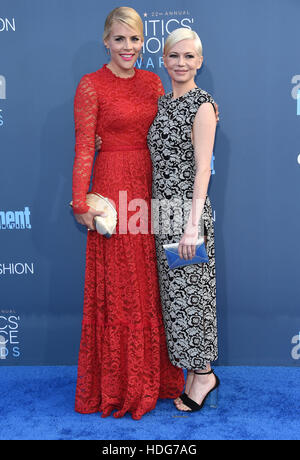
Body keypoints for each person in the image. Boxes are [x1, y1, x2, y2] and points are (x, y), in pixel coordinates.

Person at [72, 7, 185, 420]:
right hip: (112, 189)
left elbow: (171, 129)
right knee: (120, 282)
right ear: (106, 41)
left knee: (151, 279)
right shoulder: (91, 85)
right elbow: (85, 145)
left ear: (143, 42)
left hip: (149, 186)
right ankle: (120, 384)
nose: (128, 47)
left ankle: (153, 378)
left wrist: (205, 116)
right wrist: (81, 201)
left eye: (134, 39)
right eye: (119, 39)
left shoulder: (154, 81)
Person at [147, 28, 219, 412]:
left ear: (200, 62)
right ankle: (193, 374)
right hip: (162, 213)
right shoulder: (161, 105)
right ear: (164, 60)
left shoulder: (202, 104)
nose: (181, 63)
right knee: (176, 300)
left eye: (189, 56)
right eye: (175, 56)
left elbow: (203, 170)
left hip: (188, 213)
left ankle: (204, 374)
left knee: (195, 297)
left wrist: (192, 224)